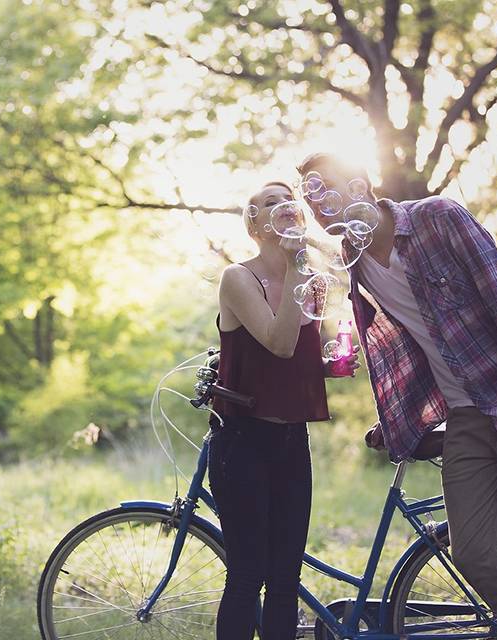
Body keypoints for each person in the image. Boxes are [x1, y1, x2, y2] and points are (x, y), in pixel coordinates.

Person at [298, 152, 497, 640]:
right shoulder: (354, 260)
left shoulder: (438, 218)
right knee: (474, 553)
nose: (316, 205)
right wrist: (400, 417)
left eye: (325, 189)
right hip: (466, 415)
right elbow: (406, 342)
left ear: (361, 184)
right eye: (309, 196)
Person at [208, 180, 360, 640]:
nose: (284, 206)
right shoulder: (239, 277)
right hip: (243, 442)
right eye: (269, 202)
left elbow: (295, 355)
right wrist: (298, 260)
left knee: (284, 582)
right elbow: (277, 342)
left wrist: (332, 362)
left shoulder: (308, 280)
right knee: (246, 576)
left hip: (293, 441)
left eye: (288, 199)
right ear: (254, 225)